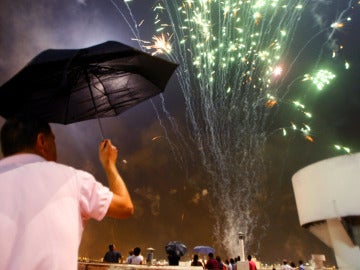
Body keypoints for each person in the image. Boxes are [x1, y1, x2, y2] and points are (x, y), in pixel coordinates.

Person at [0, 116, 134, 270]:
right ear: (42, 141)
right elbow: (125, 207)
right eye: (53, 140)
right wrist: (110, 165)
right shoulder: (73, 180)